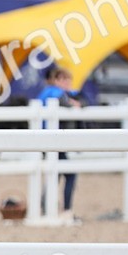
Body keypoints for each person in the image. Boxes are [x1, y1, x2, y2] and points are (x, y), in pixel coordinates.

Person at [36, 65, 82, 217]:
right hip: (52, 141)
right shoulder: (56, 93)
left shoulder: (47, 93)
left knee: (55, 173)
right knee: (69, 173)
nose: (67, 83)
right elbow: (71, 102)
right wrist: (74, 104)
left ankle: (45, 206)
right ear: (57, 80)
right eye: (64, 79)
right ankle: (66, 209)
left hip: (46, 140)